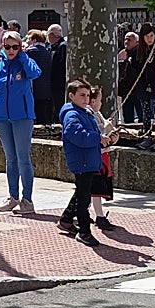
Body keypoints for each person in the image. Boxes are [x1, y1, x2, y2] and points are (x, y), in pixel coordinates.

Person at [0, 30, 42, 213]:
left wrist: (22, 56)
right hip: (2, 117)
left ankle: (27, 200)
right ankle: (13, 196)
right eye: (7, 47)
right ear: (2, 47)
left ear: (21, 47)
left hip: (22, 116)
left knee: (23, 158)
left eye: (15, 46)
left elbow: (35, 73)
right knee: (10, 159)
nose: (11, 50)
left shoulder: (25, 62)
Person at [56, 79, 109, 247]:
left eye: (87, 95)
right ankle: (84, 231)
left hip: (88, 159)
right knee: (83, 198)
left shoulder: (84, 112)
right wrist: (97, 138)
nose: (86, 99)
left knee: (81, 192)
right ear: (71, 96)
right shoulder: (73, 115)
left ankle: (66, 219)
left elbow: (90, 134)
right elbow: (78, 136)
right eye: (82, 95)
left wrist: (103, 139)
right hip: (82, 161)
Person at [88, 87, 117, 231]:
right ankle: (99, 216)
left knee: (95, 186)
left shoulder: (97, 113)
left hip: (103, 153)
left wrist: (113, 133)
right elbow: (100, 131)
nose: (101, 103)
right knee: (96, 187)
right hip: (96, 156)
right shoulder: (90, 115)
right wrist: (107, 127)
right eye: (100, 100)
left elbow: (106, 132)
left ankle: (92, 213)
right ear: (93, 101)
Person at [133, 23, 155, 148]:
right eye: (146, 36)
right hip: (142, 87)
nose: (149, 39)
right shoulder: (138, 53)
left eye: (151, 35)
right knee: (146, 113)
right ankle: (147, 136)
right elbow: (137, 70)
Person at [24, 30, 54, 132]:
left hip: (34, 87)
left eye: (28, 38)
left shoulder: (30, 52)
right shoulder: (47, 52)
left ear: (34, 39)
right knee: (44, 113)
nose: (27, 41)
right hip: (47, 87)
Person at [117, 31, 141, 124]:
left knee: (141, 115)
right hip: (125, 90)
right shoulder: (122, 53)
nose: (126, 41)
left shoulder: (139, 54)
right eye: (125, 39)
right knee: (127, 117)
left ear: (137, 42)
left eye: (129, 40)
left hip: (137, 89)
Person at [46, 24, 67, 125]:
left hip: (59, 84)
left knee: (59, 106)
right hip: (54, 83)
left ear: (52, 35)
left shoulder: (62, 46)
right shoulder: (52, 47)